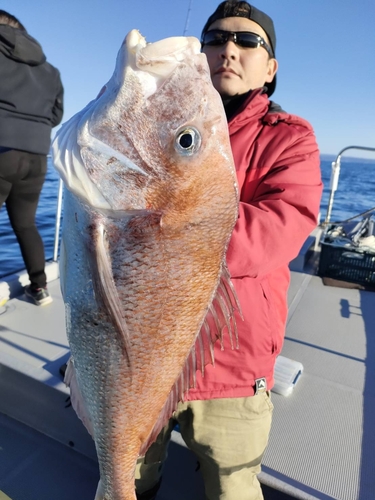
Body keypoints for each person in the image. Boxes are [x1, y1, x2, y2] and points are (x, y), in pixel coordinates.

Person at [135, 1, 323, 499]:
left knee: (233, 483)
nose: (229, 50)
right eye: (215, 39)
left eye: (247, 41)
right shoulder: (154, 127)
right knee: (130, 473)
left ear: (271, 67)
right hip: (146, 351)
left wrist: (169, 227)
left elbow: (276, 231)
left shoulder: (291, 138)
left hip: (233, 363)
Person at [0, 10, 63, 306]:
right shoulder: (50, 71)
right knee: (26, 224)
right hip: (38, 156)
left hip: (2, 147)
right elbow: (56, 115)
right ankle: (39, 287)